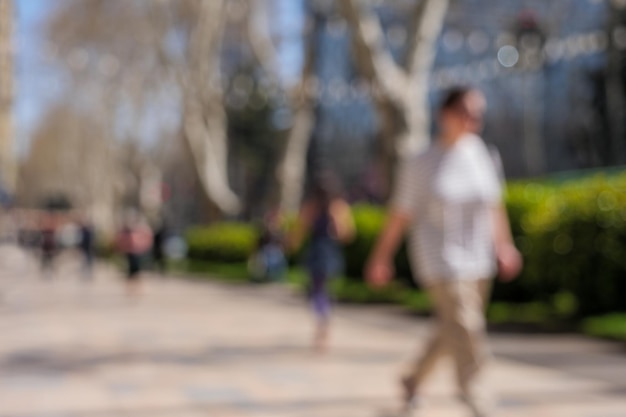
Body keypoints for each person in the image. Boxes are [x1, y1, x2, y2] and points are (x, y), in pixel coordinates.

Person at [366, 87, 522, 417]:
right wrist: (380, 258)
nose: (474, 119)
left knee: (452, 326)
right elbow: (400, 215)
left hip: (478, 258)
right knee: (465, 326)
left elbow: (494, 206)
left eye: (479, 113)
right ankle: (475, 393)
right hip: (440, 260)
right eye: (467, 111)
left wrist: (504, 246)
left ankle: (412, 379)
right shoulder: (420, 162)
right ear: (445, 114)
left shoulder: (482, 153)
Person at [289, 173, 355, 354]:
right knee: (317, 290)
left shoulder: (338, 207)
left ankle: (322, 325)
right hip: (318, 252)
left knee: (322, 290)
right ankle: (322, 323)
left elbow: (347, 234)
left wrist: (336, 222)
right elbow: (299, 231)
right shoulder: (313, 207)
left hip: (328, 252)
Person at [116, 213, 153, 296]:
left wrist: (144, 246)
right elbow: (120, 241)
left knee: (137, 271)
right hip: (129, 252)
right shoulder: (125, 231)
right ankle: (130, 288)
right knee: (130, 271)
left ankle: (137, 288)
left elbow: (148, 237)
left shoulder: (140, 230)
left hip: (138, 252)